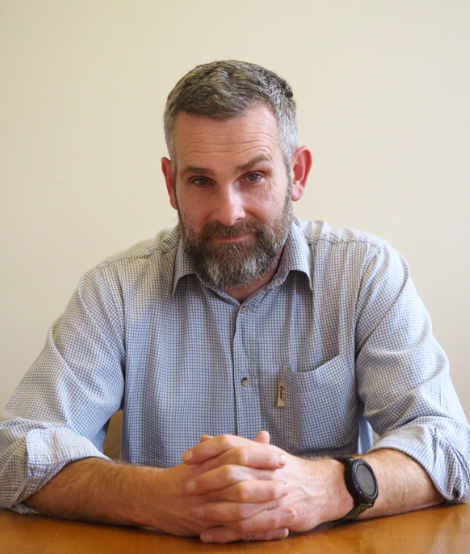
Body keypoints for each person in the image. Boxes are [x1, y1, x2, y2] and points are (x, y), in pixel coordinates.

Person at [0, 60, 469, 544]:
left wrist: (328, 486)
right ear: (171, 183)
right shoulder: (115, 291)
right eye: (201, 181)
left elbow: (450, 445)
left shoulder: (365, 273)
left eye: (253, 176)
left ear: (297, 173)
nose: (229, 213)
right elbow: (16, 452)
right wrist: (154, 495)